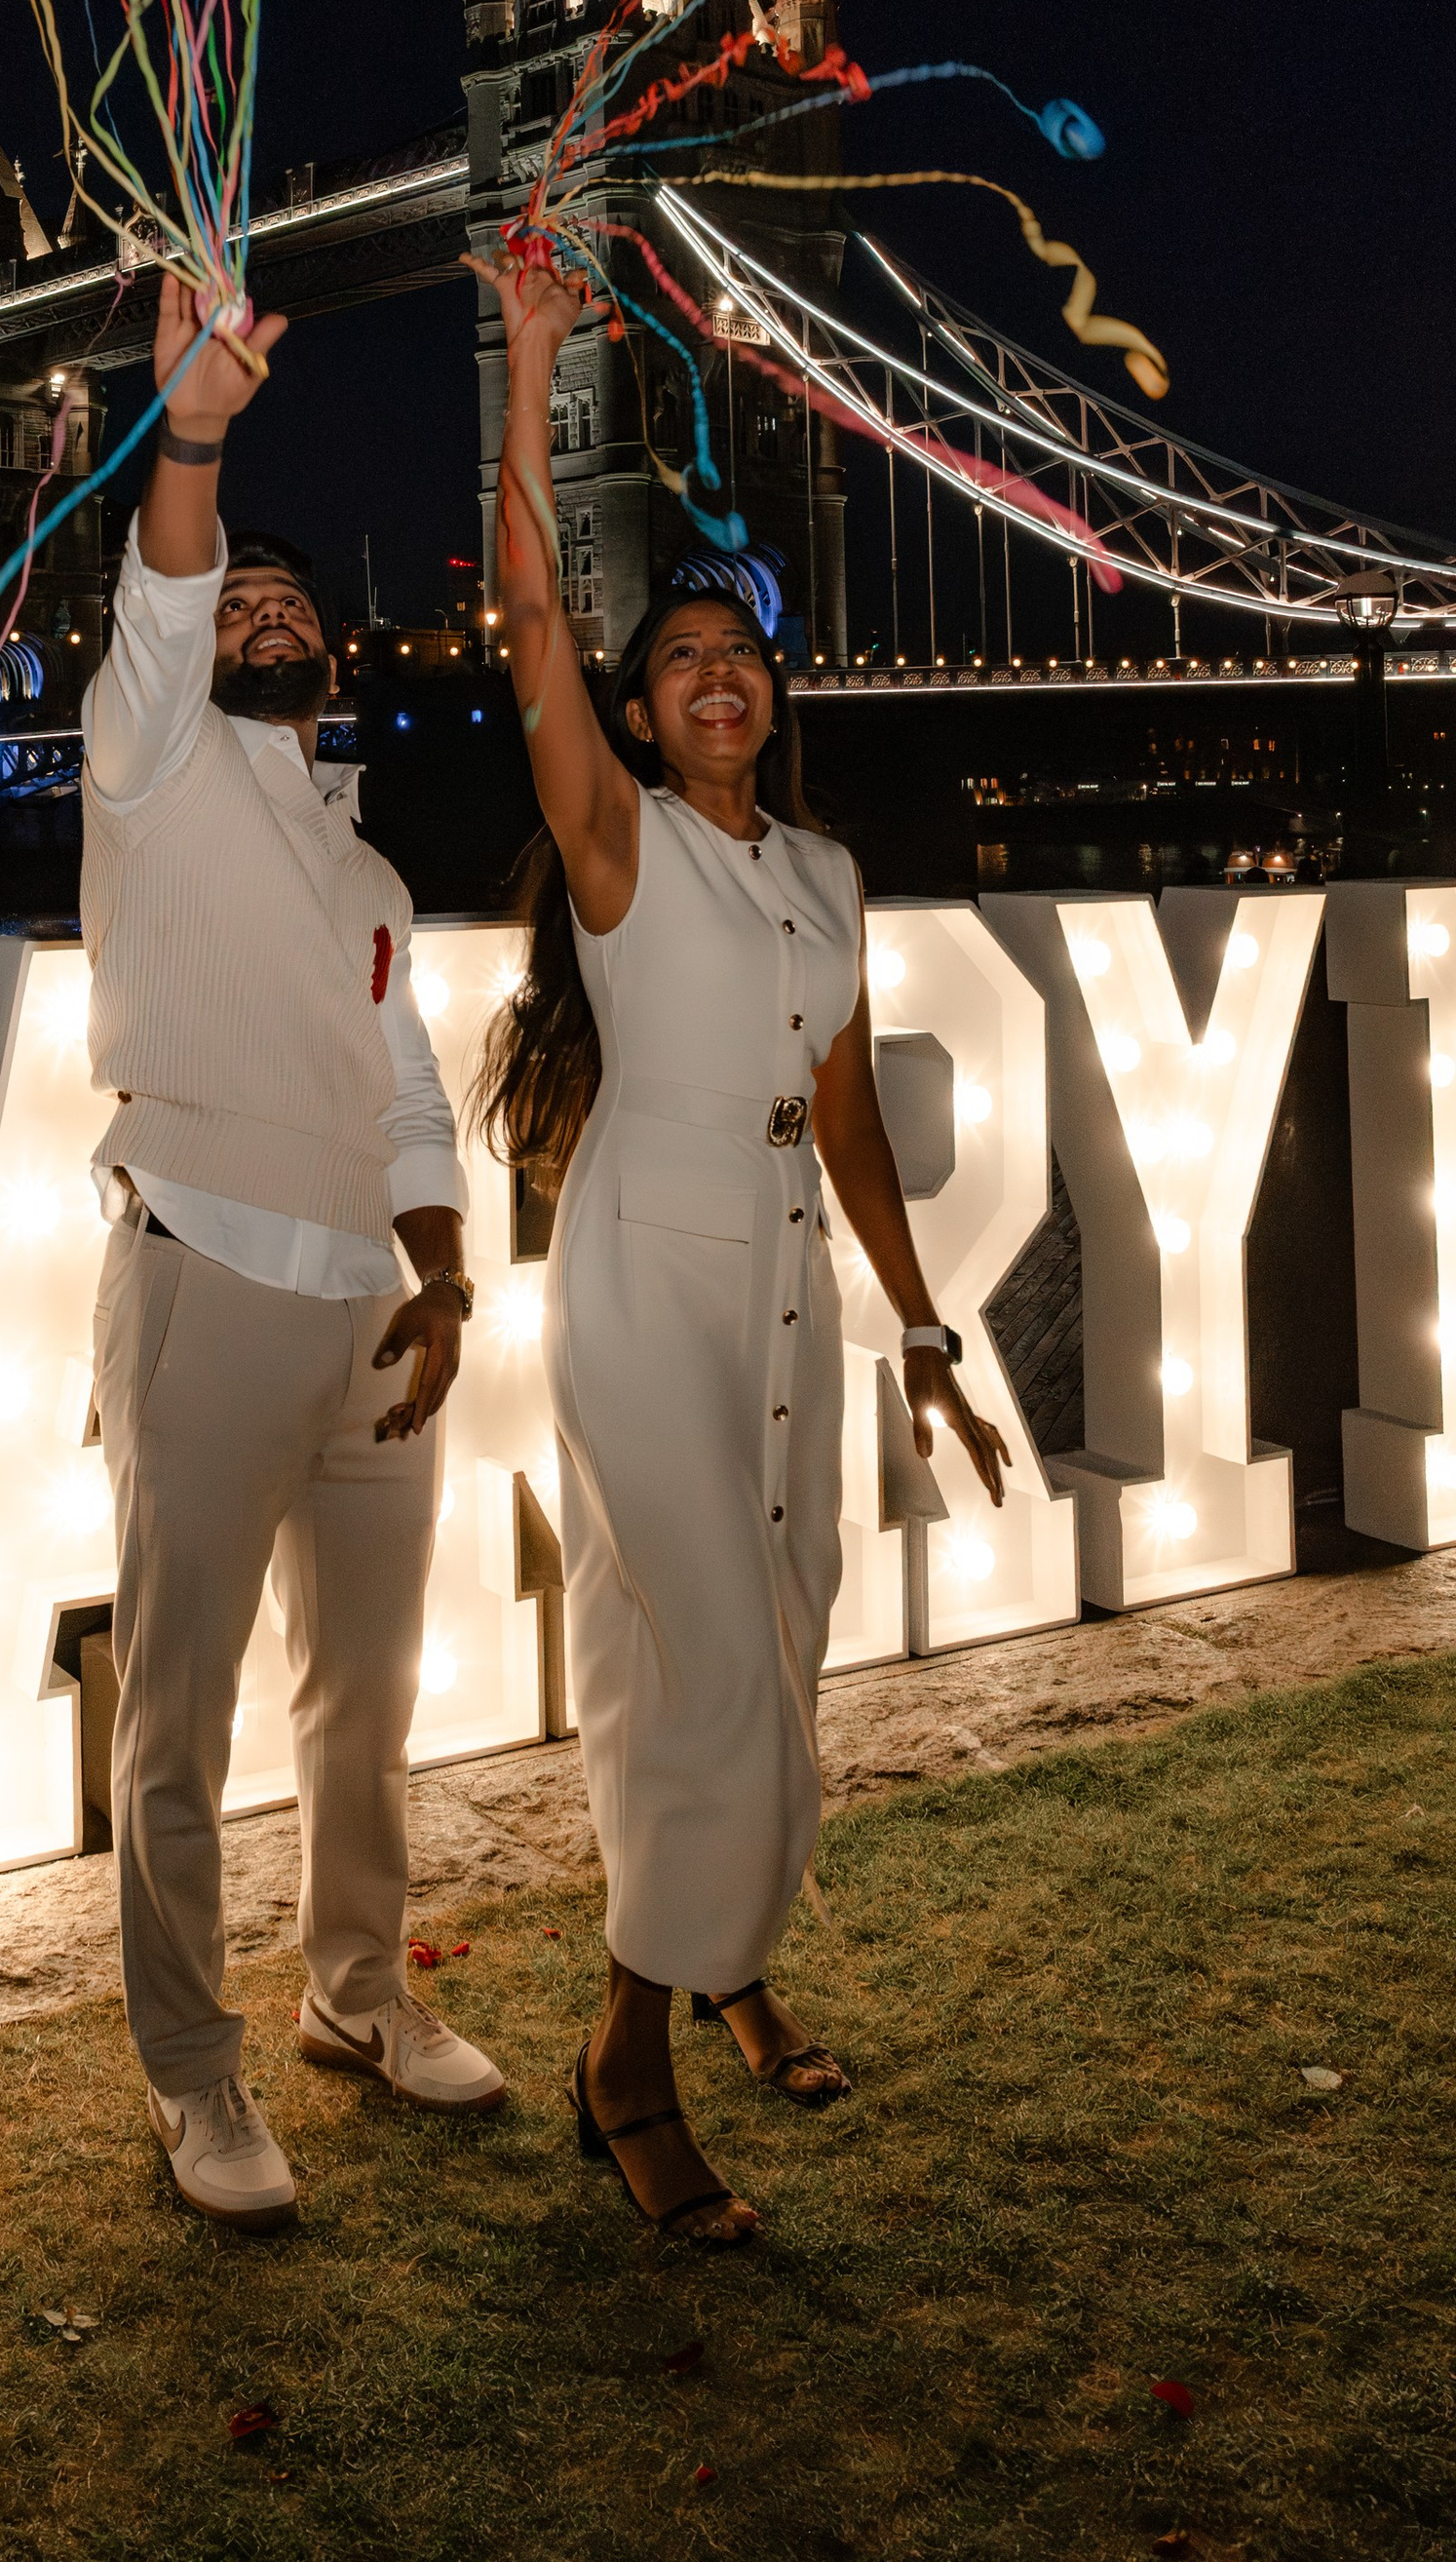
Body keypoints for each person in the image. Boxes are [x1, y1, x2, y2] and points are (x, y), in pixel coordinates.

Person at [472, 248, 1010, 2247]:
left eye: (742, 654)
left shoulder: (822, 874)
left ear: (772, 697)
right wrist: (529, 362)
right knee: (706, 1660)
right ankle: (628, 2057)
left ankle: (716, 1955)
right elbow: (526, 614)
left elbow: (850, 1119)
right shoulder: (622, 846)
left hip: (784, 1263)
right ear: (635, 709)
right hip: (641, 1267)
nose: (715, 671)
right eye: (677, 655)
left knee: (771, 1644)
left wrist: (930, 1332)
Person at [80, 270, 508, 2234]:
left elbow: (407, 1087)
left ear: (330, 663)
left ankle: (355, 1998)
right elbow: (169, 576)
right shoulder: (147, 763)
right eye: (236, 607)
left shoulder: (364, 869)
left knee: (370, 1696)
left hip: (365, 1317)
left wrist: (440, 1266)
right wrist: (193, 429)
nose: (262, 619)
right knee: (177, 1715)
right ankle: (193, 2075)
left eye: (294, 611)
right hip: (208, 1279)